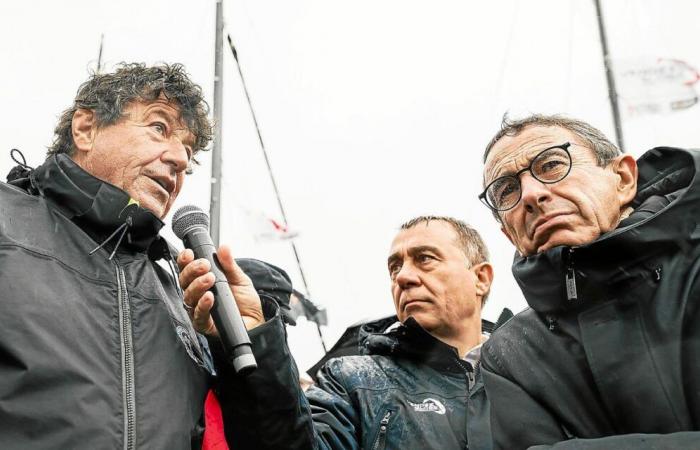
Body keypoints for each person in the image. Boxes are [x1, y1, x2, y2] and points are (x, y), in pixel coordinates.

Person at [0, 63, 217, 449]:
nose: (180, 160)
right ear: (86, 129)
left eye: (187, 150)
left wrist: (258, 347)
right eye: (159, 128)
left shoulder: (182, 299)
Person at [178, 215, 501, 449]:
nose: (403, 277)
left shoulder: (532, 370)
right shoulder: (353, 381)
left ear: (481, 278)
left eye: (425, 259)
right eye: (394, 267)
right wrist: (254, 338)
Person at [477, 114, 700, 449]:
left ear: (623, 179)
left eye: (552, 164)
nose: (532, 195)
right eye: (507, 189)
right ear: (509, 234)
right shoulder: (507, 356)